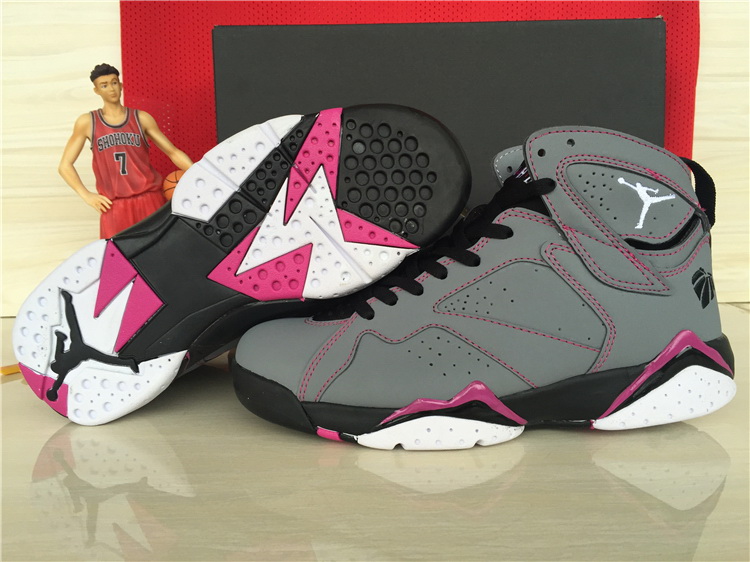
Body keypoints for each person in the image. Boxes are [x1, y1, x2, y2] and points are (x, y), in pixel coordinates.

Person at [59, 63, 193, 238]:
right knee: (117, 254)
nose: (111, 89)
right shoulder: (88, 122)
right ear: (96, 90)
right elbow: (65, 166)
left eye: (114, 83)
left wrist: (198, 173)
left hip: (149, 198)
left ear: (121, 85)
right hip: (115, 205)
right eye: (104, 85)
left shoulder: (141, 118)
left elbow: (172, 152)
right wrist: (86, 195)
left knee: (161, 250)